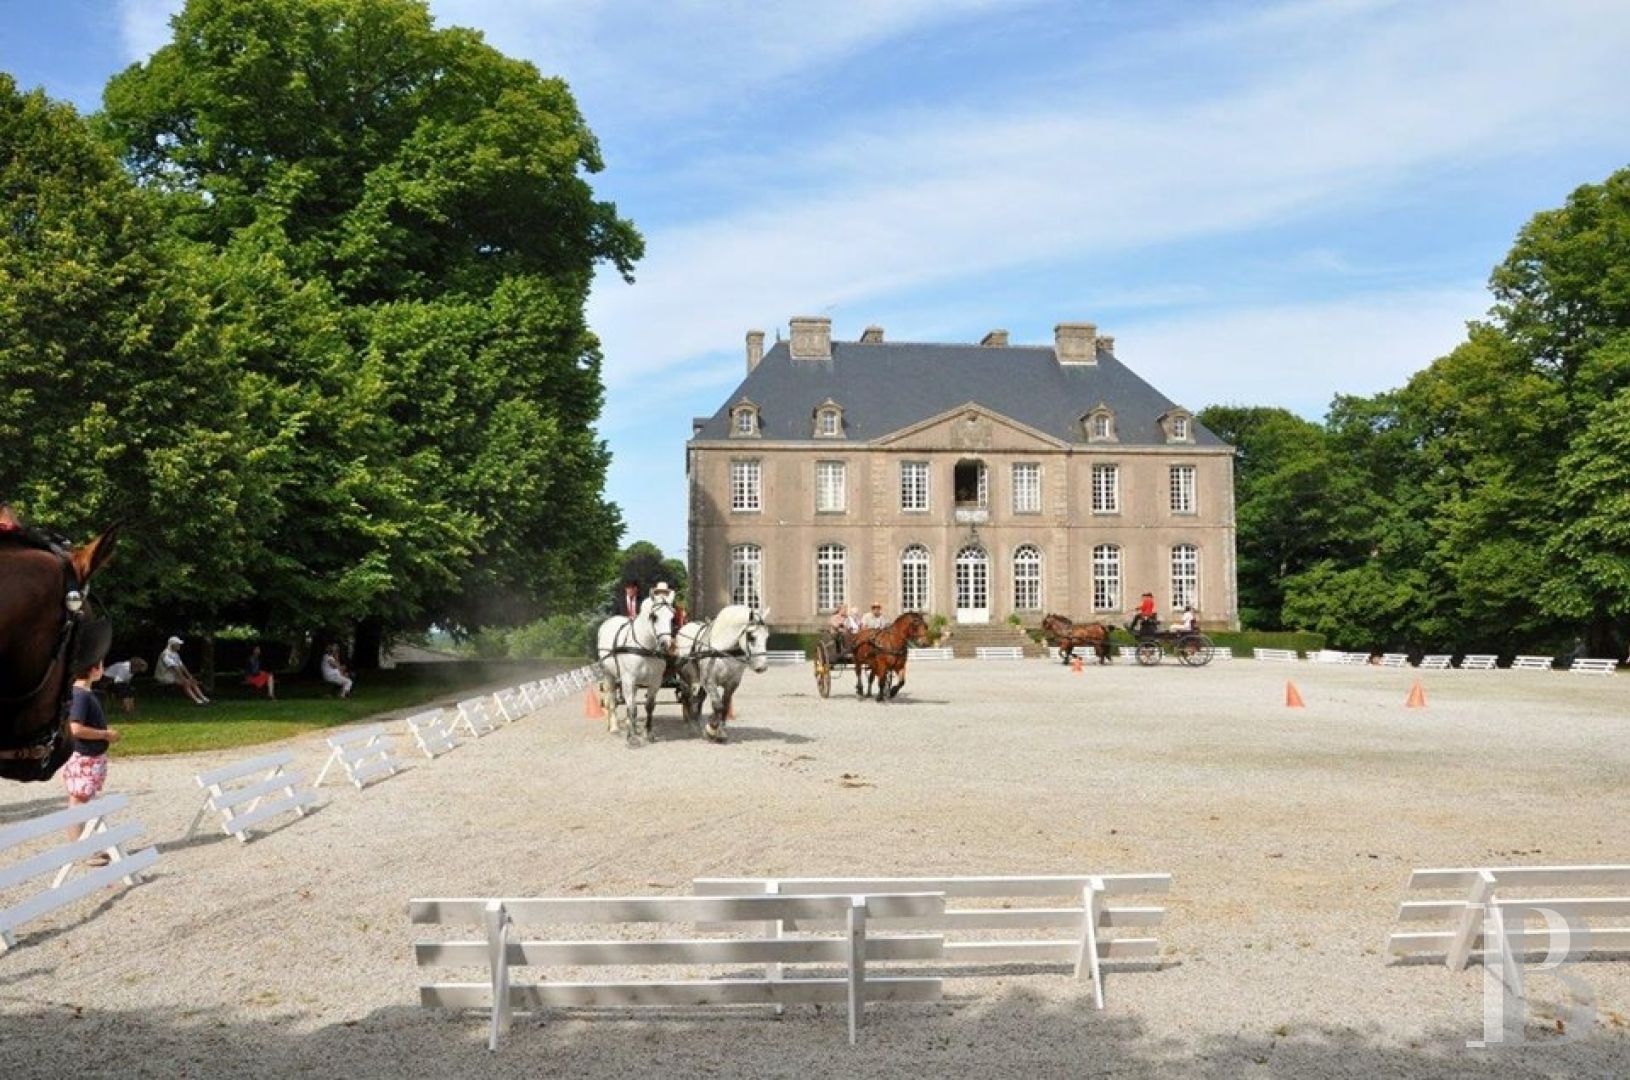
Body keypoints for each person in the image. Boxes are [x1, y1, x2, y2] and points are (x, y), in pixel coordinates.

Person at [64, 659, 121, 862]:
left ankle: (86, 846)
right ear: (93, 669)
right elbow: (75, 729)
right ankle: (81, 851)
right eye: (101, 665)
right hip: (84, 757)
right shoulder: (80, 695)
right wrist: (105, 735)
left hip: (91, 757)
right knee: (78, 801)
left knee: (84, 801)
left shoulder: (84, 693)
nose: (102, 669)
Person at [155, 636, 209, 705]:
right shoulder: (166, 654)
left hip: (172, 675)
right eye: (178, 644)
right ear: (173, 644)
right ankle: (197, 701)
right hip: (164, 676)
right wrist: (183, 678)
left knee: (192, 681)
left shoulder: (175, 653)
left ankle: (203, 698)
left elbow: (182, 666)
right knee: (186, 683)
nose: (179, 646)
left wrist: (190, 676)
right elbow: (175, 668)